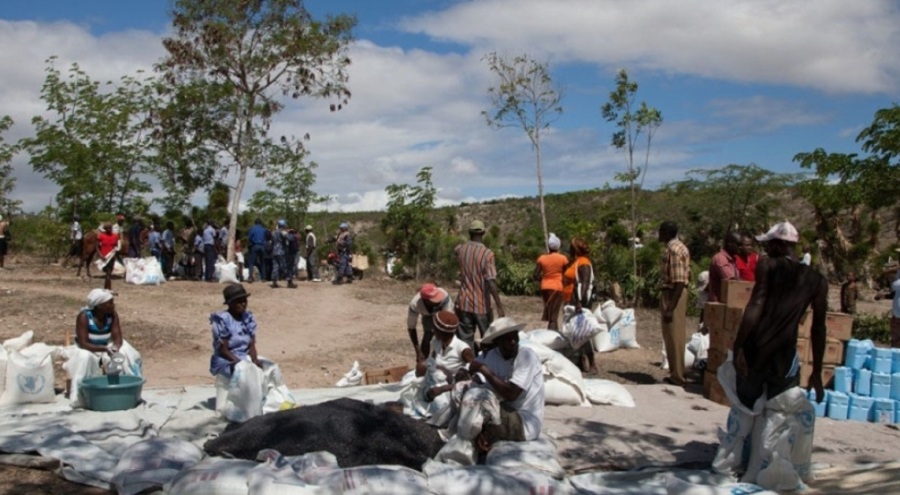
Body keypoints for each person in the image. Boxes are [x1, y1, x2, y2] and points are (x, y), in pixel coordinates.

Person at [733, 221, 828, 408]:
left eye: (769, 244)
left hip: (756, 353)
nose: (766, 248)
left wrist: (738, 346)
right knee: (779, 418)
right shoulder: (817, 281)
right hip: (784, 361)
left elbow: (756, 306)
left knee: (746, 410)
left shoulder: (768, 265)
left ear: (780, 244)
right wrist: (816, 371)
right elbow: (818, 328)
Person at [466, 317, 544, 449]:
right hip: (505, 412)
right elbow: (469, 368)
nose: (513, 342)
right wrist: (467, 375)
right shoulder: (493, 355)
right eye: (507, 339)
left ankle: (472, 439)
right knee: (466, 392)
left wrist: (484, 371)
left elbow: (511, 394)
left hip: (524, 422)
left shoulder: (526, 356)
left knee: (480, 401)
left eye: (515, 337)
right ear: (497, 342)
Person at [65, 288, 142, 407]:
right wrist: (105, 349)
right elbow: (83, 343)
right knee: (84, 358)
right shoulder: (84, 317)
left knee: (125, 352)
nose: (113, 305)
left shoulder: (112, 316)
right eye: (110, 303)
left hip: (106, 347)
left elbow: (117, 338)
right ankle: (82, 397)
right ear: (99, 306)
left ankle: (124, 389)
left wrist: (115, 348)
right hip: (87, 349)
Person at [402, 311, 474, 423]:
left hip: (451, 386)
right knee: (408, 383)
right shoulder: (436, 342)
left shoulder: (463, 349)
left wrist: (443, 388)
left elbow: (471, 377)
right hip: (435, 379)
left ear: (443, 332)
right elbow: (433, 360)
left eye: (435, 329)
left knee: (440, 407)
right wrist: (423, 366)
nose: (432, 330)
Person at [455, 220, 505, 350]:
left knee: (465, 341)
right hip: (481, 305)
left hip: (464, 302)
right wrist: (499, 306)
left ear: (469, 233)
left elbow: (456, 250)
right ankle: (486, 364)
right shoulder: (487, 254)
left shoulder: (462, 250)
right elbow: (491, 281)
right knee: (488, 340)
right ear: (483, 232)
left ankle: (468, 367)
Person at [658, 220, 691, 386]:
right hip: (674, 293)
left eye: (660, 231)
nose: (658, 234)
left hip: (673, 294)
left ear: (666, 232)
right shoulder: (680, 247)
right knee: (671, 335)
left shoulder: (674, 249)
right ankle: (675, 373)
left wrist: (670, 307)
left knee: (674, 335)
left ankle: (678, 376)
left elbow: (679, 280)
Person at [562, 237, 598, 375]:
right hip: (571, 301)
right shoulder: (576, 262)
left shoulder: (584, 263)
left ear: (575, 249)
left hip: (578, 302)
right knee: (574, 332)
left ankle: (592, 362)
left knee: (582, 332)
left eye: (571, 247)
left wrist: (580, 302)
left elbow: (585, 282)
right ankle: (579, 361)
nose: (569, 249)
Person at [210, 283, 262, 379]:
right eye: (239, 302)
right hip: (227, 361)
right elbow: (223, 350)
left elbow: (251, 345)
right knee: (243, 372)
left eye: (245, 301)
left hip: (245, 357)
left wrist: (254, 360)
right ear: (230, 303)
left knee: (269, 368)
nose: (243, 304)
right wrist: (241, 363)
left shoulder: (247, 318)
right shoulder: (223, 320)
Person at [408, 283, 454, 359]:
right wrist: (418, 352)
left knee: (444, 335)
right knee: (428, 333)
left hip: (442, 312)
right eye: (434, 300)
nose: (437, 301)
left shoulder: (444, 296)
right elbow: (411, 328)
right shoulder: (415, 304)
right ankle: (424, 359)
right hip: (427, 314)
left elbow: (448, 322)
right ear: (425, 300)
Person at [533, 233, 568, 331]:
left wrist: (544, 279)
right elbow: (566, 275)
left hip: (545, 287)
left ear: (549, 246)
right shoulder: (563, 259)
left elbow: (535, 275)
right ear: (558, 246)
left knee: (551, 314)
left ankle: (554, 334)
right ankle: (551, 335)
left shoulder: (542, 258)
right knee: (553, 316)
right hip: (557, 287)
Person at [708, 233, 741, 303]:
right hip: (718, 303)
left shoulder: (733, 259)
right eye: (738, 245)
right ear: (729, 244)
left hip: (728, 301)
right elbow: (731, 281)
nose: (740, 247)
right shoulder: (720, 259)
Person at [874, 261, 900, 348]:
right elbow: (896, 293)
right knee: (895, 341)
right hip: (896, 316)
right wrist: (884, 296)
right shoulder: (898, 276)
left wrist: (892, 268)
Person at [270, 219, 296, 289]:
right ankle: (289, 281)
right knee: (285, 267)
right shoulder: (282, 232)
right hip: (281, 252)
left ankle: (274, 282)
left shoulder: (273, 232)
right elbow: (290, 238)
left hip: (274, 251)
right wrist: (290, 233)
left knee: (275, 267)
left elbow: (272, 242)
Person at [96, 222, 121, 291]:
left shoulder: (115, 236)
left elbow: (117, 246)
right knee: (108, 273)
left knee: (109, 273)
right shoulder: (101, 236)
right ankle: (109, 289)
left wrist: (115, 253)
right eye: (108, 228)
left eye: (110, 228)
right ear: (105, 229)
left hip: (112, 257)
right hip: (104, 257)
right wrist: (100, 255)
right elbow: (97, 247)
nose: (109, 229)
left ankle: (105, 289)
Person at [246, 218, 268, 283]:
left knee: (251, 262)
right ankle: (263, 278)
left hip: (254, 246)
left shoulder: (252, 229)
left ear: (255, 223)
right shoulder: (264, 230)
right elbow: (266, 238)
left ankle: (250, 277)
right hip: (262, 246)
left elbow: (249, 238)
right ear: (261, 223)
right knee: (262, 262)